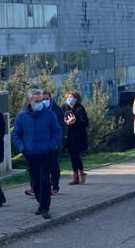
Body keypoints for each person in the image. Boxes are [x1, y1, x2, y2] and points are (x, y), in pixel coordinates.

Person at [12, 89, 62, 219]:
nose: (40, 103)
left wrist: (51, 145)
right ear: (30, 101)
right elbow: (16, 134)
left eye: (42, 100)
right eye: (37, 101)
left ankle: (44, 207)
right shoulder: (22, 116)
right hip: (30, 154)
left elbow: (57, 132)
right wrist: (22, 147)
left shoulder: (50, 115)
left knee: (45, 180)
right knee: (35, 182)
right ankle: (41, 202)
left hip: (46, 153)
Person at [62, 89, 89, 184]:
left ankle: (78, 175)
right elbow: (61, 119)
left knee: (76, 156)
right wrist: (66, 122)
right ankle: (78, 174)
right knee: (72, 156)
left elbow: (85, 123)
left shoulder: (80, 108)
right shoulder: (64, 107)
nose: (70, 99)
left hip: (77, 137)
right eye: (69, 97)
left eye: (72, 98)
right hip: (68, 136)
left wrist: (75, 121)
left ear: (77, 99)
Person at [42, 89, 65, 195]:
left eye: (46, 99)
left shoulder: (57, 110)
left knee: (54, 165)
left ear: (50, 99)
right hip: (42, 143)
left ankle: (55, 186)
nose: (44, 101)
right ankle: (37, 186)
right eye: (42, 99)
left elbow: (62, 127)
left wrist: (58, 140)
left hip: (55, 142)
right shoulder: (37, 110)